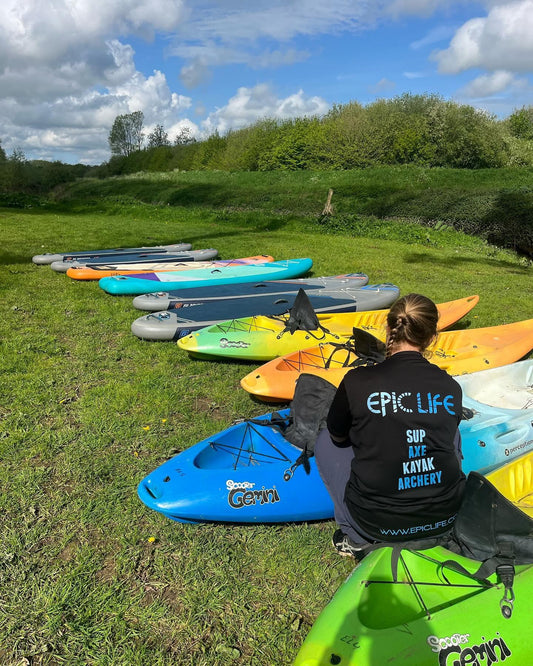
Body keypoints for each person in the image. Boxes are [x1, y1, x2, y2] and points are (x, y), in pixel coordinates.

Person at [315, 293, 466, 560]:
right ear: (432, 337)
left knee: (326, 439)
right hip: (444, 519)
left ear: (388, 329)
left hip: (376, 523)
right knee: (451, 431)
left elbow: (338, 437)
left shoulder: (358, 381)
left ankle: (356, 538)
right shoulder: (450, 387)